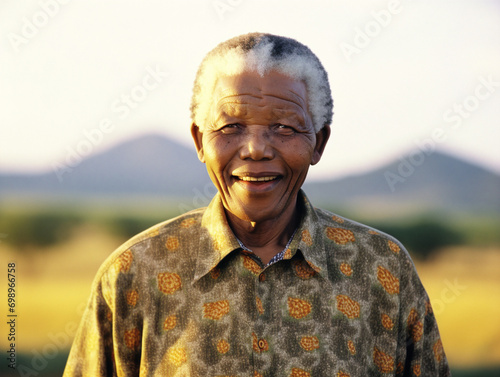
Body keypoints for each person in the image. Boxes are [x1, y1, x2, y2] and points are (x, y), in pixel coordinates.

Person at [64, 33, 450, 376]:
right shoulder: (135, 273)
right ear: (200, 142)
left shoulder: (384, 270)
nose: (256, 149)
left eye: (284, 127)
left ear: (318, 142)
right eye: (231, 127)